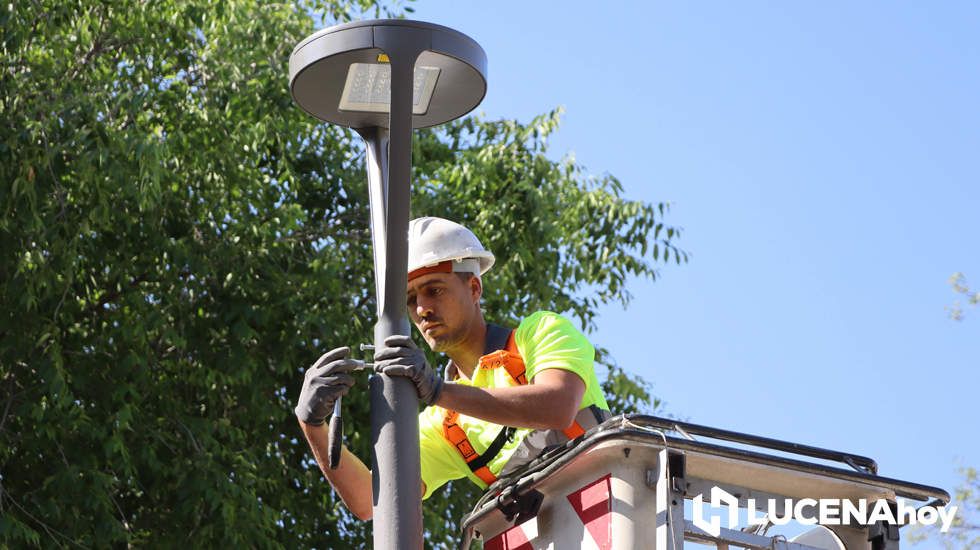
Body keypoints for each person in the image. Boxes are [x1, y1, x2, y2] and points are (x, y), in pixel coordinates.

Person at [294, 217, 610, 520]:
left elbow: (558, 406)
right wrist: (312, 425)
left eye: (435, 290)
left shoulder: (539, 333)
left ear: (474, 288)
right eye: (410, 298)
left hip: (617, 518)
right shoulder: (445, 424)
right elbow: (371, 501)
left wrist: (438, 391)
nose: (422, 309)